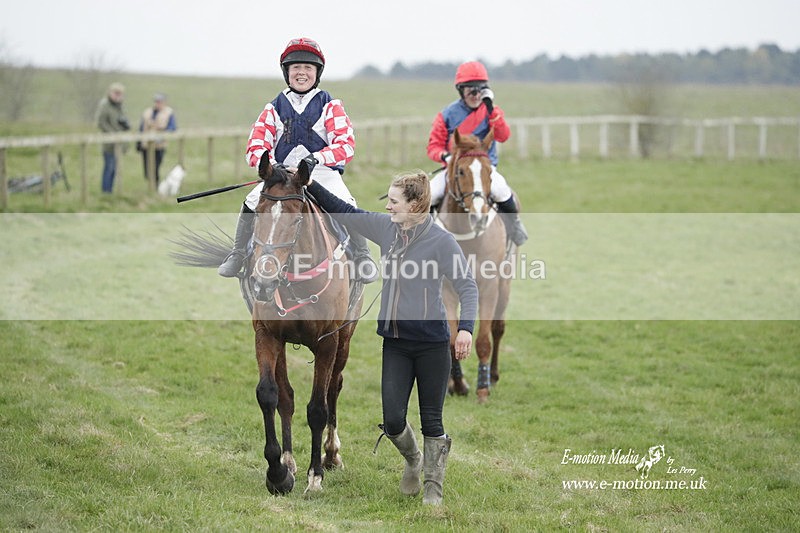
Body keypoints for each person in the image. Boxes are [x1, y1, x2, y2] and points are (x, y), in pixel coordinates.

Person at [304, 162, 478, 505]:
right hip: (396, 343)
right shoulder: (386, 229)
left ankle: (433, 488)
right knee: (393, 419)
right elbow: (346, 212)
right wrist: (309, 182)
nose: (387, 206)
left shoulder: (442, 242)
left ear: (414, 205)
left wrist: (466, 330)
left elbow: (467, 286)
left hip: (432, 344)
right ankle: (414, 459)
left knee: (432, 418)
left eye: (394, 201)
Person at [217, 37, 377, 282]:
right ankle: (238, 253)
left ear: (317, 73)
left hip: (320, 174)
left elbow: (346, 145)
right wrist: (270, 165)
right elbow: (255, 145)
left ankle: (362, 255)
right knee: (251, 200)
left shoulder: (330, 105)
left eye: (308, 68)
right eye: (296, 68)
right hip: (282, 176)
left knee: (346, 201)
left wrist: (315, 159)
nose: (301, 73)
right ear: (287, 72)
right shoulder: (273, 108)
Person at [426, 61, 528, 246]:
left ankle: (514, 225)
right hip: (454, 170)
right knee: (430, 194)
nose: (475, 95)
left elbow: (503, 135)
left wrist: (491, 109)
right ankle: (422, 238)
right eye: (470, 90)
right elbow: (433, 146)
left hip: (485, 169)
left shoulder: (492, 112)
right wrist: (445, 157)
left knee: (502, 190)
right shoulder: (447, 114)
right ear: (461, 91)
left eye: (479, 90)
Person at [95, 82, 130, 193]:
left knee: (114, 168)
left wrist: (125, 126)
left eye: (120, 94)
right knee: (109, 167)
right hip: (109, 143)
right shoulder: (105, 105)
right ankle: (106, 191)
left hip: (118, 143)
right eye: (116, 93)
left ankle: (110, 190)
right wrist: (112, 134)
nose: (118, 96)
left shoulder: (119, 106)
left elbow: (120, 120)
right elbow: (101, 122)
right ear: (110, 93)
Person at [137, 93, 176, 186]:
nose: (158, 104)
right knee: (147, 168)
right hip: (146, 145)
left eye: (160, 102)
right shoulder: (147, 112)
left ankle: (155, 186)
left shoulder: (169, 113)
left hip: (159, 146)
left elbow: (172, 128)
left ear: (164, 102)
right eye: (156, 101)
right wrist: (138, 143)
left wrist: (162, 131)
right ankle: (151, 185)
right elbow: (141, 128)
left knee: (156, 167)